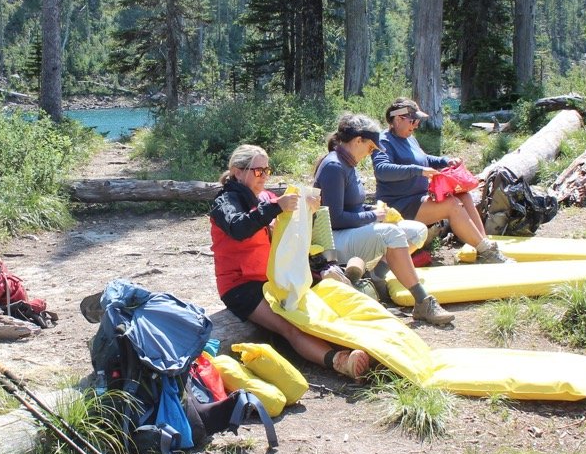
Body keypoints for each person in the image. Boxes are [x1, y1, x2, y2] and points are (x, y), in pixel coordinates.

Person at [210, 144, 372, 380]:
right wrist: (276, 207)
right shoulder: (224, 202)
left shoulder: (265, 196)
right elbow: (238, 228)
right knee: (291, 326)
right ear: (237, 171)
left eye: (267, 170)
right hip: (241, 285)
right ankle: (339, 362)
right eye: (258, 171)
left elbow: (291, 224)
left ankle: (362, 343)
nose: (264, 176)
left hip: (275, 275)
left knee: (322, 306)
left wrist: (310, 210)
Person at [313, 113, 456, 327]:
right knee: (392, 233)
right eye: (370, 147)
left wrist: (373, 209)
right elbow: (335, 219)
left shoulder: (347, 163)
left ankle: (374, 278)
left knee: (416, 231)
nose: (371, 153)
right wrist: (374, 216)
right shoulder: (334, 166)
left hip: (347, 233)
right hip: (332, 243)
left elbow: (349, 206)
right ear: (358, 140)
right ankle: (423, 301)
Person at [373, 97, 511, 264]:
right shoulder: (383, 140)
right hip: (399, 205)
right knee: (452, 205)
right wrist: (418, 171)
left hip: (419, 199)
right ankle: (486, 251)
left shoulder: (409, 138)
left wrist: (445, 161)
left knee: (463, 196)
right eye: (413, 120)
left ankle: (485, 247)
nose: (416, 125)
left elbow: (423, 158)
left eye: (418, 121)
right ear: (397, 119)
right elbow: (382, 170)